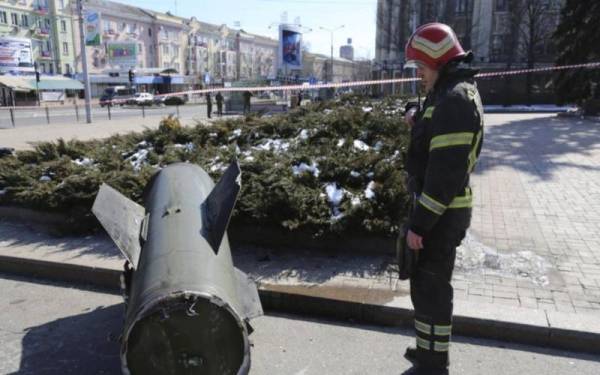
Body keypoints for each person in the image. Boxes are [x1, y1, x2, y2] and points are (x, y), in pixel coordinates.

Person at [402, 23, 484, 374]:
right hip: (440, 212)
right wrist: (415, 116)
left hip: (441, 213)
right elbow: (434, 130)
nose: (418, 74)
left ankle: (434, 363)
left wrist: (420, 224)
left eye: (420, 66)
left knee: (432, 290)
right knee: (425, 287)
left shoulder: (454, 100)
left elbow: (443, 178)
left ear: (436, 59)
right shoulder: (448, 93)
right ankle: (427, 351)